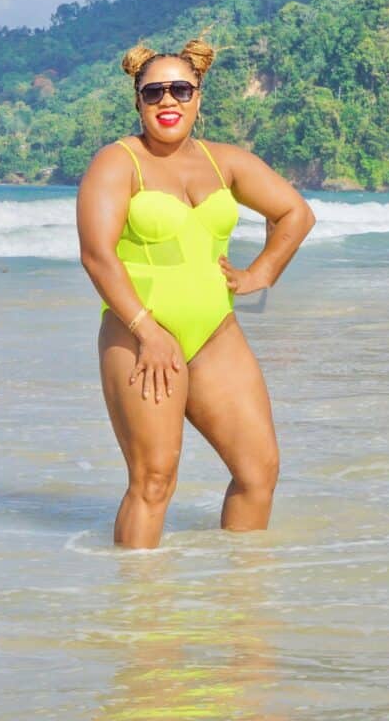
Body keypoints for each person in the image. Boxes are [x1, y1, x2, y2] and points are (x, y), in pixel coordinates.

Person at [76, 35, 316, 549]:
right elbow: (98, 255)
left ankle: (237, 597)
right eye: (154, 92)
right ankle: (139, 613)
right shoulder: (118, 163)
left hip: (215, 334)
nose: (168, 102)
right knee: (154, 481)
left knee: (258, 472)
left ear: (199, 96)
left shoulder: (224, 162)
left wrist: (261, 274)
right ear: (137, 100)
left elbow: (294, 212)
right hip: (138, 336)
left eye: (181, 91)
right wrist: (147, 329)